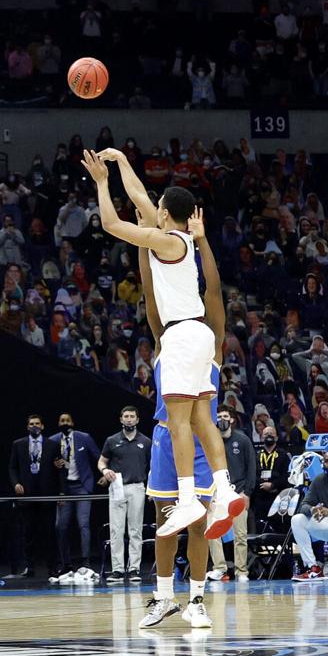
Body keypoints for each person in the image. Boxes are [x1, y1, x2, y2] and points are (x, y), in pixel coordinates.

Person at [83, 148, 243, 538]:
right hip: (200, 337)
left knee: (177, 424)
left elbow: (109, 222)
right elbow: (139, 196)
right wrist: (121, 162)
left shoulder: (166, 240)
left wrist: (102, 183)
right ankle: (223, 489)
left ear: (166, 214)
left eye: (158, 207)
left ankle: (187, 498)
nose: (151, 207)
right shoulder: (179, 239)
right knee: (203, 419)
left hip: (181, 336)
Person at [137, 207, 222, 629]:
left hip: (201, 444)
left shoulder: (212, 341)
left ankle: (199, 598)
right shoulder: (166, 336)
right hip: (165, 440)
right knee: (164, 522)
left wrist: (202, 241)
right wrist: (144, 242)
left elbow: (215, 294)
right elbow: (152, 294)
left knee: (200, 521)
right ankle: (165, 596)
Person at [99, 406, 152, 583]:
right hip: (117, 486)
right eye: (126, 416)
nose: (129, 419)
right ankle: (118, 570)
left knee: (135, 529)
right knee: (116, 529)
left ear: (137, 420)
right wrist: (105, 470)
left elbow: (152, 467)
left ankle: (135, 568)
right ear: (121, 419)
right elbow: (102, 461)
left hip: (137, 486)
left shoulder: (145, 441)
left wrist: (151, 488)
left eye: (132, 416)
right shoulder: (112, 440)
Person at [207, 406, 256, 582]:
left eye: (225, 416)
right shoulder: (210, 441)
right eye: (218, 416)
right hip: (216, 493)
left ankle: (241, 571)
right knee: (212, 533)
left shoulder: (242, 440)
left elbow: (251, 467)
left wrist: (247, 493)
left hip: (238, 493)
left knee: (240, 534)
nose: (222, 419)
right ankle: (219, 568)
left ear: (232, 419)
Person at [49, 413, 99, 576]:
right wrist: (54, 464)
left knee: (83, 523)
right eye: (61, 420)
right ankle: (66, 562)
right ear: (58, 423)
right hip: (64, 489)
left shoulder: (84, 438)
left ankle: (86, 561)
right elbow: (47, 466)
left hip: (82, 485)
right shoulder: (53, 440)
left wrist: (104, 475)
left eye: (67, 420)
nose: (65, 423)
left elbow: (98, 457)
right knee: (60, 526)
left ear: (73, 422)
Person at [8, 413, 55, 576]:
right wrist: (16, 483)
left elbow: (59, 468)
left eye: (37, 423)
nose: (34, 426)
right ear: (27, 427)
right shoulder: (18, 444)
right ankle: (30, 566)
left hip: (46, 494)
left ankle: (52, 567)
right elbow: (12, 467)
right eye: (31, 424)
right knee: (28, 533)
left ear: (42, 426)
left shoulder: (51, 444)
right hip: (26, 494)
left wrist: (61, 492)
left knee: (49, 532)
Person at [291, 450, 328, 580]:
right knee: (297, 519)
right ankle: (313, 568)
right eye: (327, 461)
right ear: (323, 464)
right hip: (327, 525)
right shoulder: (318, 480)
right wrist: (312, 510)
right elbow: (304, 505)